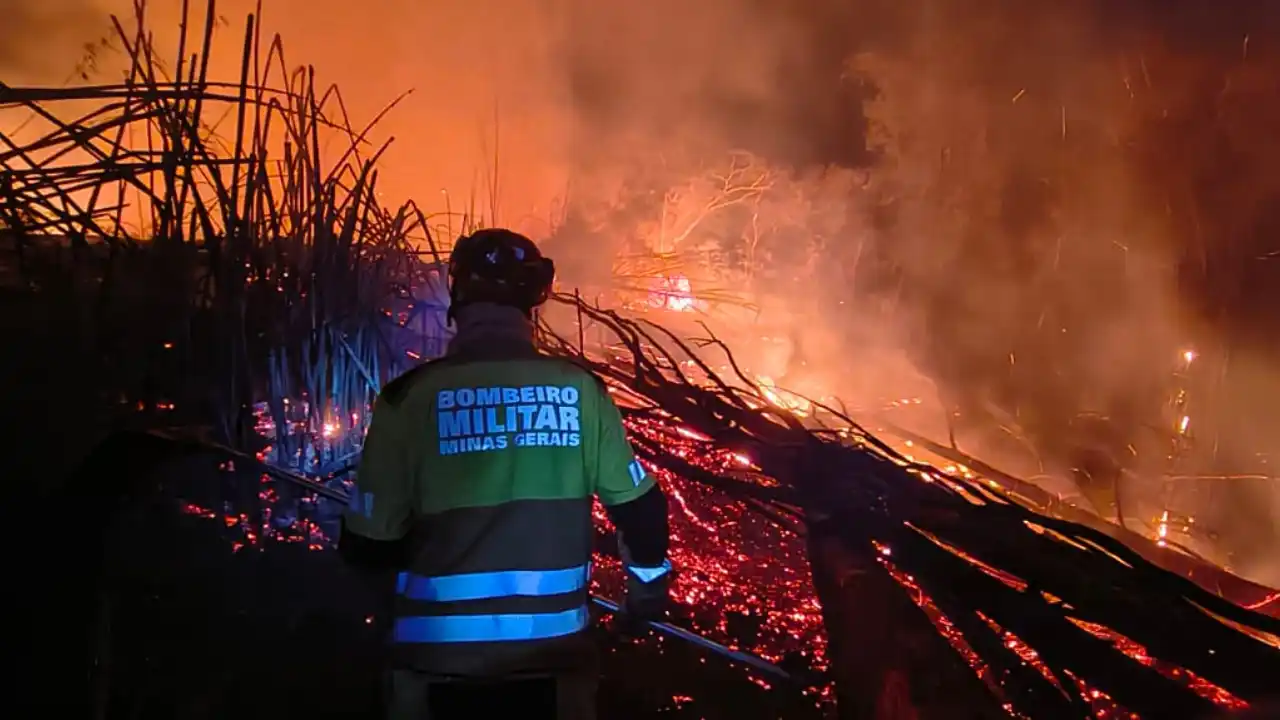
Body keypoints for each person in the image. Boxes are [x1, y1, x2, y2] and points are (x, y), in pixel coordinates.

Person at [339, 228, 672, 720]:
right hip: (553, 667)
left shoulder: (407, 399)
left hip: (433, 668)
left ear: (458, 293)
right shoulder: (580, 392)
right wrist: (643, 601)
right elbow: (641, 514)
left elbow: (369, 547)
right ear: (534, 297)